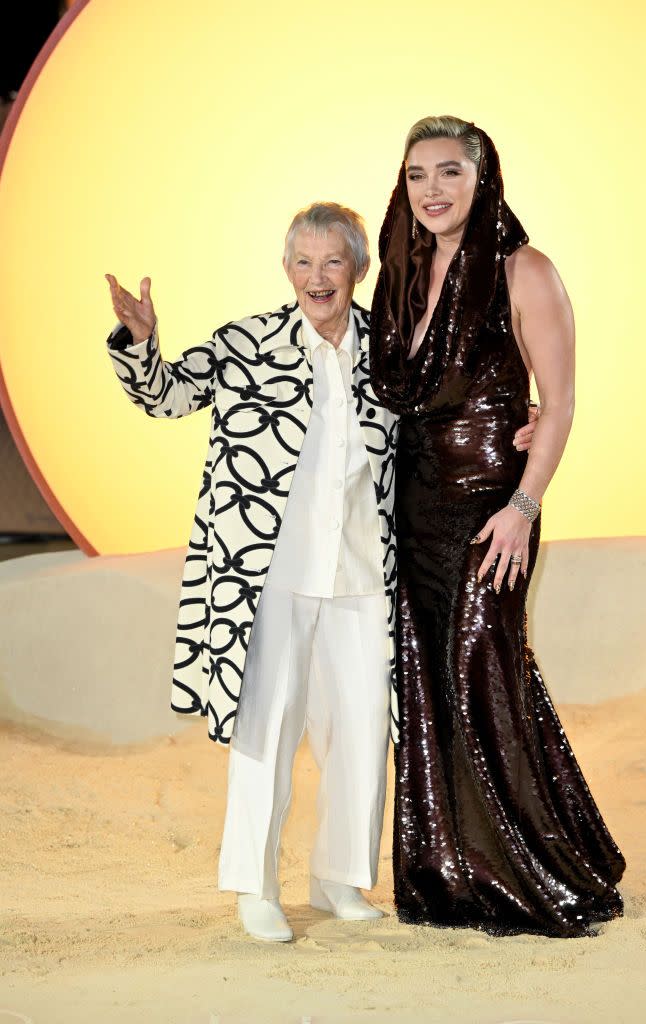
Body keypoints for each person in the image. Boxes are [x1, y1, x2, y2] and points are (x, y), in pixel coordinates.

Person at [105, 201, 537, 943]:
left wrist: (513, 418)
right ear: (285, 270)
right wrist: (139, 343)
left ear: (359, 269)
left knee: (362, 731)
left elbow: (443, 416)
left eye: (332, 261)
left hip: (364, 575)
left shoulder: (391, 351)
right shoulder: (247, 343)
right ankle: (255, 886)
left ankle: (339, 878)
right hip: (266, 576)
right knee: (264, 731)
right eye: (302, 261)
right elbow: (168, 395)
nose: (317, 276)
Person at [369, 116, 626, 938]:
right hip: (413, 510)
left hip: (491, 507)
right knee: (432, 678)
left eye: (449, 171)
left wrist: (524, 505)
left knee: (483, 669)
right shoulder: (401, 277)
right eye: (418, 175)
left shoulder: (526, 269)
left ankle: (529, 868)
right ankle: (451, 868)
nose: (433, 190)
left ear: (483, 179)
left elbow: (563, 400)